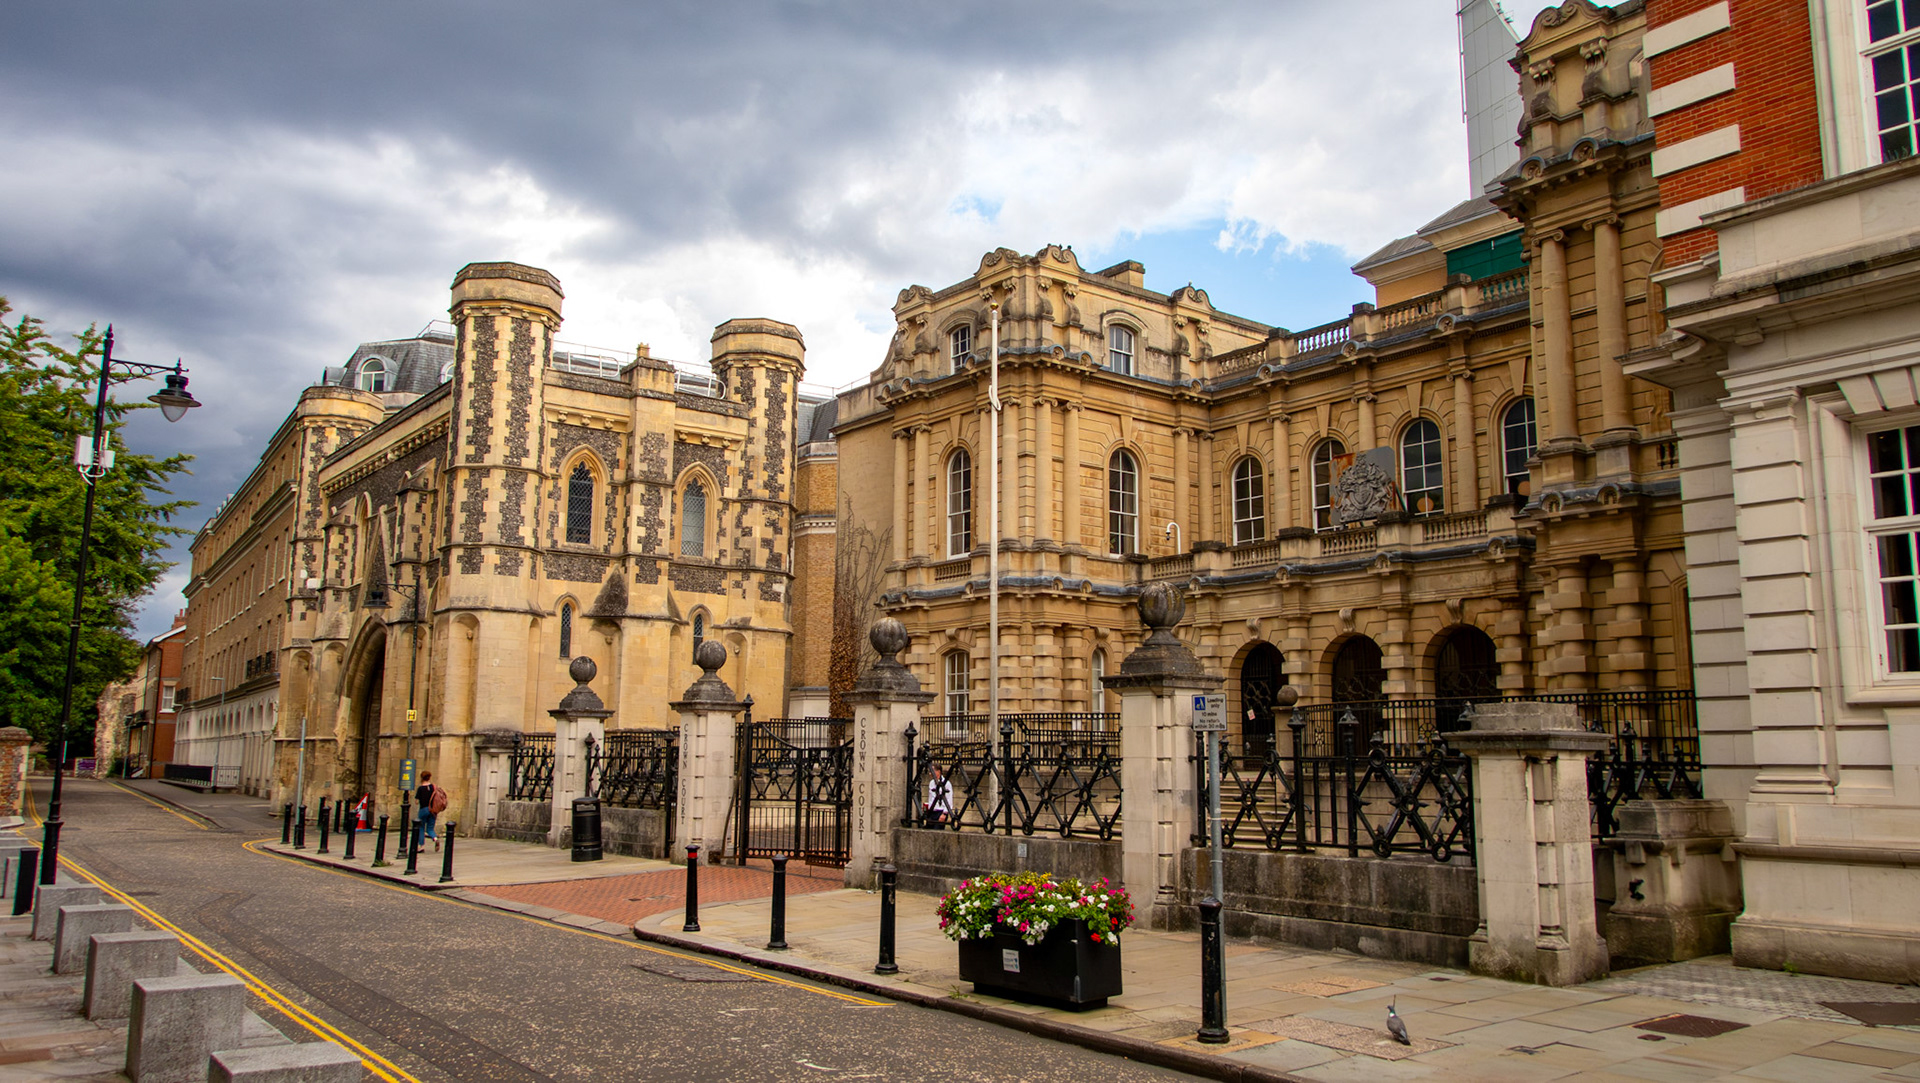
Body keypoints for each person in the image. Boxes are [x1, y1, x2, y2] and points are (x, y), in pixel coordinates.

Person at [415, 772, 445, 851]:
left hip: (423, 810)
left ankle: (421, 846)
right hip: (433, 810)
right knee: (430, 828)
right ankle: (435, 839)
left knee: (421, 827)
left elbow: (416, 801)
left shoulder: (420, 788)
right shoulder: (433, 787)